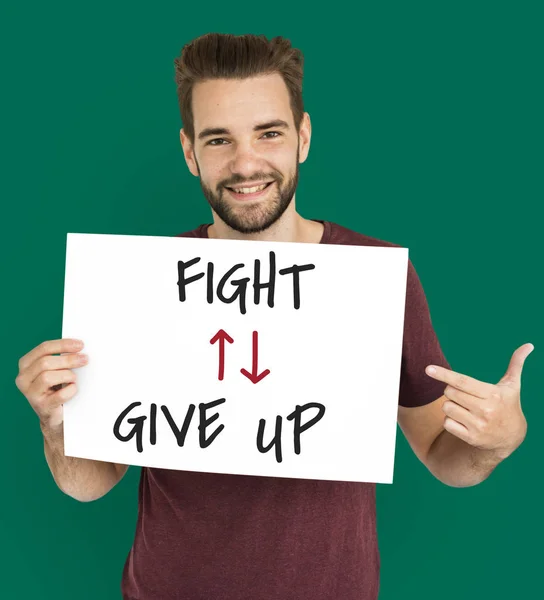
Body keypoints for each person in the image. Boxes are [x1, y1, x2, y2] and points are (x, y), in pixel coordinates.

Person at [15, 33, 531, 600]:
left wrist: (498, 439)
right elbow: (89, 484)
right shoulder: (142, 284)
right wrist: (55, 424)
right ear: (189, 152)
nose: (246, 163)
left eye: (269, 133)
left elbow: (442, 455)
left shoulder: (375, 278)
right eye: (219, 140)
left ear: (302, 137)